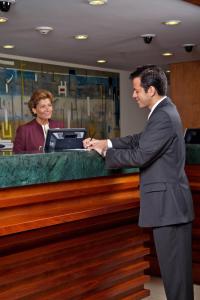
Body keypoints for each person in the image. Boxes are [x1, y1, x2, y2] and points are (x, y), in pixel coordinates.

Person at [83, 65, 194, 300]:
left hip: (169, 208)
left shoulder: (163, 115)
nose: (133, 95)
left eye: (136, 90)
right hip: (173, 207)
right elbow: (140, 139)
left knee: (176, 282)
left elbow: (140, 155)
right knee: (178, 280)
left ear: (150, 90)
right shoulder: (164, 110)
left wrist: (105, 153)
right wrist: (107, 142)